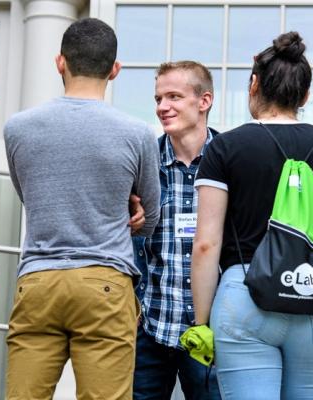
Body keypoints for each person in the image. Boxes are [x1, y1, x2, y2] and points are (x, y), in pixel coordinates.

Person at [190, 31, 313, 399]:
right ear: (305, 95)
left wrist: (202, 324)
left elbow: (206, 244)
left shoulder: (224, 148)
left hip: (244, 297)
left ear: (254, 84)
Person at [3, 18, 160, 400]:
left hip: (39, 280)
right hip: (104, 282)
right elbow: (150, 219)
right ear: (115, 69)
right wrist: (126, 207)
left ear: (60, 62)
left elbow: (32, 197)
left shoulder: (17, 128)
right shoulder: (136, 133)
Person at [133, 61, 221, 400]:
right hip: (150, 329)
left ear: (204, 101)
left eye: (173, 97)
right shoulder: (142, 162)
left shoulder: (231, 161)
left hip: (211, 333)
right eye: (158, 99)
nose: (162, 107)